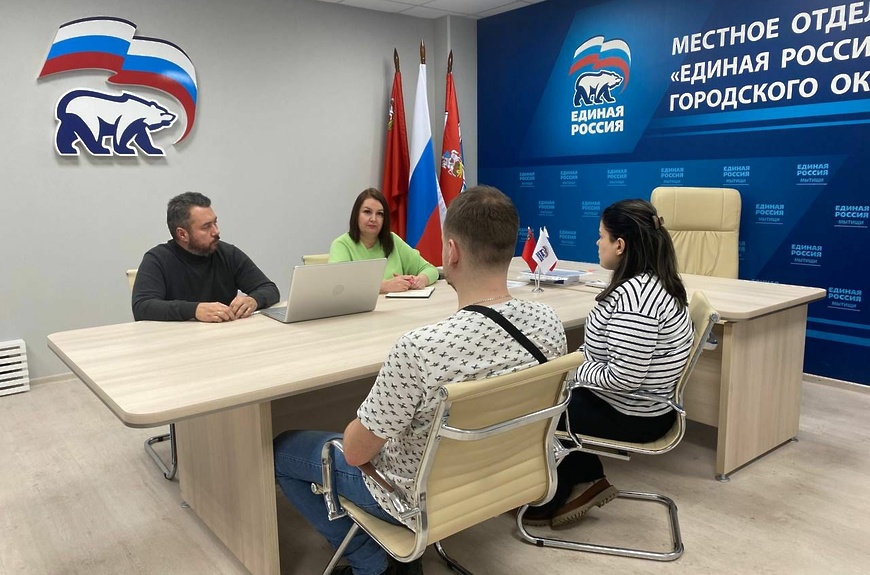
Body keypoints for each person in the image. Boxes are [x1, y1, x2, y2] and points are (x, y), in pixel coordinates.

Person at [274, 186, 567, 575]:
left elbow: (357, 453)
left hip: (412, 496)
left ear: (451, 251)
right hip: (501, 478)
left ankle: (369, 561)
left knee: (283, 450)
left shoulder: (421, 348)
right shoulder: (549, 323)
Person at [523, 198, 693, 529]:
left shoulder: (636, 302)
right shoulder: (648, 282)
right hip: (636, 404)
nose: (596, 242)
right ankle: (586, 477)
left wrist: (568, 372)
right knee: (549, 390)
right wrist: (568, 368)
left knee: (533, 404)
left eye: (601, 236)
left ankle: (564, 490)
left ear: (620, 245)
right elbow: (604, 355)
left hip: (635, 414)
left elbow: (624, 378)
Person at [132, 191, 279, 322]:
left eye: (215, 223)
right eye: (206, 227)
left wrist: (254, 300)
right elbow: (142, 307)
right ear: (182, 234)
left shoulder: (228, 253)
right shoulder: (158, 259)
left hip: (226, 335)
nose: (216, 231)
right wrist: (194, 310)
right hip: (177, 339)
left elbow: (269, 288)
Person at [329, 188, 438, 294]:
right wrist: (384, 286)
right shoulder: (341, 245)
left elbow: (430, 269)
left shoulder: (393, 240)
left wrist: (420, 280)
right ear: (356, 215)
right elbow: (338, 287)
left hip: (399, 305)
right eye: (367, 212)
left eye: (379, 214)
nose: (373, 219)